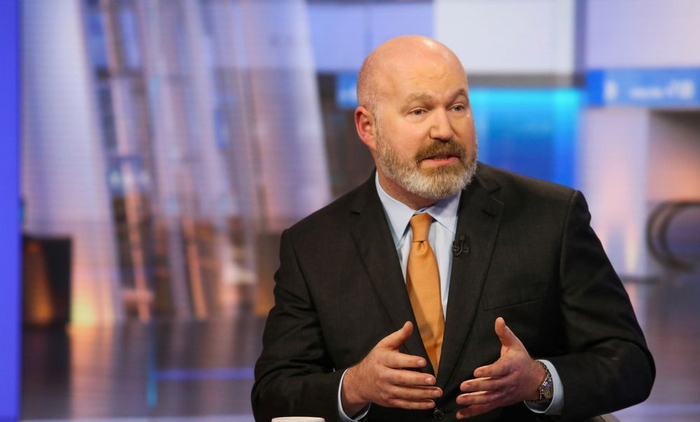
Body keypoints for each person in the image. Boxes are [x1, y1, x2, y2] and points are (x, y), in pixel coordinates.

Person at [251, 35, 654, 422]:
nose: (444, 129)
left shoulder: (551, 216)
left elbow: (629, 362)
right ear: (367, 127)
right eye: (419, 111)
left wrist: (538, 381)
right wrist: (353, 386)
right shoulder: (313, 246)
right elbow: (273, 393)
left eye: (457, 107)